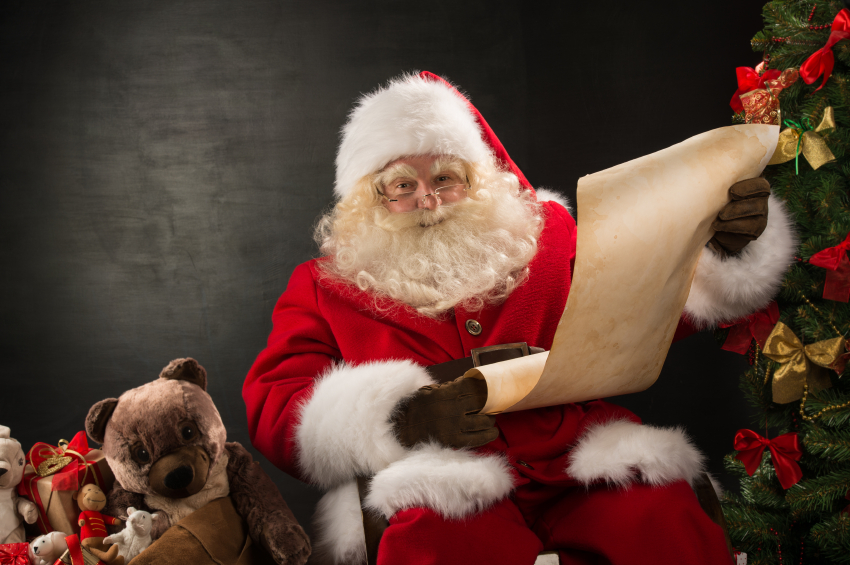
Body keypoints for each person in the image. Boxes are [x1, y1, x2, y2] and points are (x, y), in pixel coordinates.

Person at [242, 71, 797, 564]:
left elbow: (648, 304)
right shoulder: (324, 286)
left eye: (444, 178)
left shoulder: (548, 237)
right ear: (373, 200)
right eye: (403, 186)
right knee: (436, 544)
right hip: (441, 472)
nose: (430, 201)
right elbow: (276, 402)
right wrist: (400, 418)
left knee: (661, 515)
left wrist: (721, 246)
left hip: (574, 460)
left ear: (476, 180)